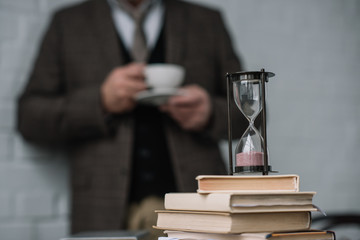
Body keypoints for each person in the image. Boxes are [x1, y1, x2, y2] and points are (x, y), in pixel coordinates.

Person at [17, 0, 247, 235]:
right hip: (101, 208)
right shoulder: (67, 22)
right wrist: (100, 102)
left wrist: (210, 113)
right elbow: (29, 117)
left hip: (197, 205)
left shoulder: (206, 20)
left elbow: (250, 112)